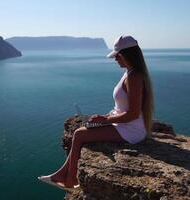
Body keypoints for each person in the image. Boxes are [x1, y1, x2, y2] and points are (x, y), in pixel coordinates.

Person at [38, 35, 154, 191]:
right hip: (123, 124)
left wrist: (105, 120)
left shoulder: (134, 77)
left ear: (126, 55)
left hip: (131, 130)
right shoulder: (130, 73)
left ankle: (70, 181)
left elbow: (133, 114)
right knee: (81, 130)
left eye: (117, 56)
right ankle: (61, 175)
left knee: (79, 134)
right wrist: (105, 118)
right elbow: (125, 109)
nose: (115, 59)